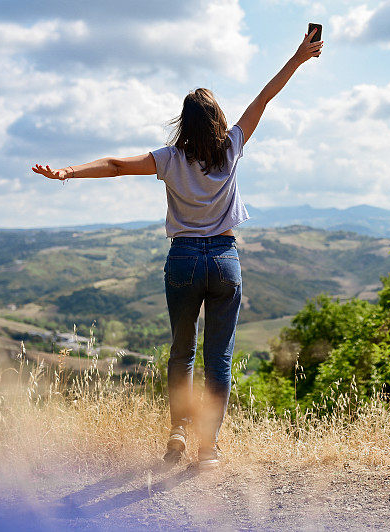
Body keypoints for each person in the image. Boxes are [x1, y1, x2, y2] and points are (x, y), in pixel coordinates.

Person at [32, 29, 323, 469]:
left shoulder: (169, 158)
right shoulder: (232, 148)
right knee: (218, 358)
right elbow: (265, 97)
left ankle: (177, 432)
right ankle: (208, 450)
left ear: (183, 124)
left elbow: (113, 166)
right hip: (225, 261)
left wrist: (67, 172)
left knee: (181, 351)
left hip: (183, 260)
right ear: (219, 120)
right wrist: (299, 57)